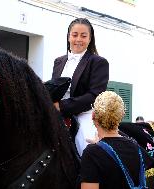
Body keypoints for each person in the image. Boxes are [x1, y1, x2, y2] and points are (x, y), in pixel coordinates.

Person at [52, 17, 109, 156]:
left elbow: (95, 95)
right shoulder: (58, 61)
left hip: (85, 114)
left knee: (85, 144)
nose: (78, 39)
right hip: (57, 112)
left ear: (90, 39)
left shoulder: (98, 62)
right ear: (68, 37)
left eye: (83, 36)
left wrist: (62, 106)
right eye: (75, 35)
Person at [80, 91, 153, 189]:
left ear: (93, 116)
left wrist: (96, 148)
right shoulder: (135, 146)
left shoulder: (92, 153)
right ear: (121, 116)